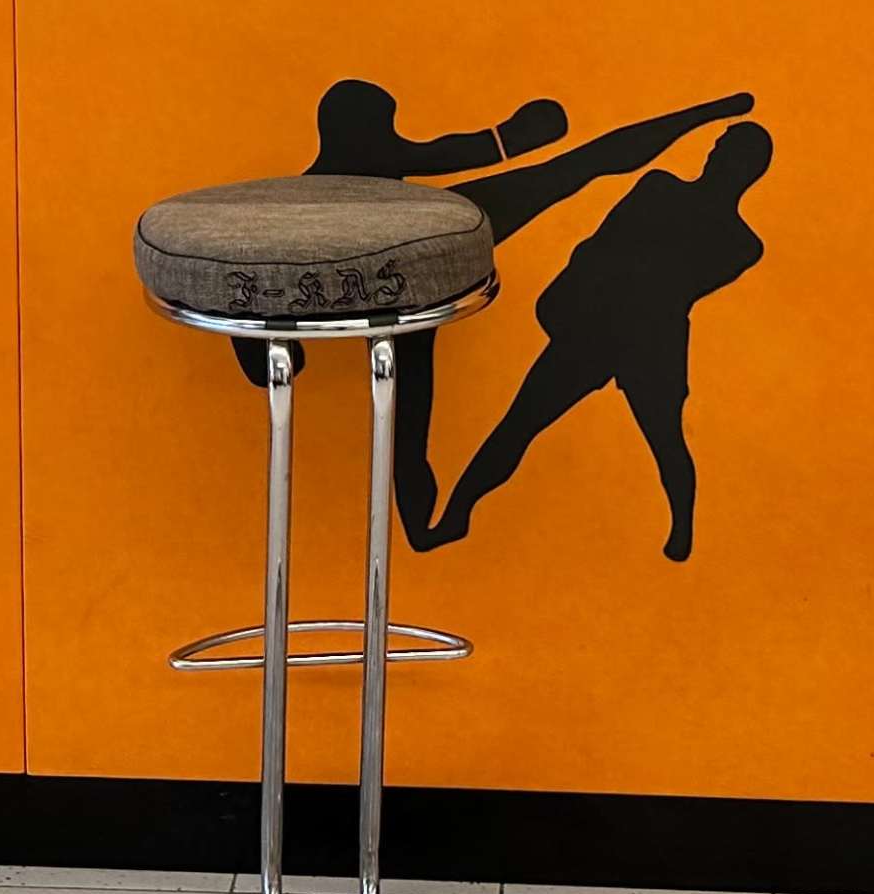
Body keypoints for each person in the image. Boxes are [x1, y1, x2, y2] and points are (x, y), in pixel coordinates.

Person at [293, 78, 754, 529]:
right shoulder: (352, 179)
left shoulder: (313, 194)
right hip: (427, 249)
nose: (389, 141)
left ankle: (429, 517)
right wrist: (519, 137)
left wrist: (517, 137)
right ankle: (429, 516)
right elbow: (479, 152)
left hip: (429, 248)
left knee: (420, 414)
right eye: (383, 128)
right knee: (422, 414)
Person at [420, 118, 775, 564]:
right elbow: (602, 248)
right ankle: (457, 515)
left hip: (642, 336)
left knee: (664, 443)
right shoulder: (677, 200)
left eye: (730, 149)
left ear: (748, 168)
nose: (717, 153)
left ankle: (681, 527)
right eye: (721, 144)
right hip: (609, 327)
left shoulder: (735, 239)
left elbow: (617, 254)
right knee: (521, 424)